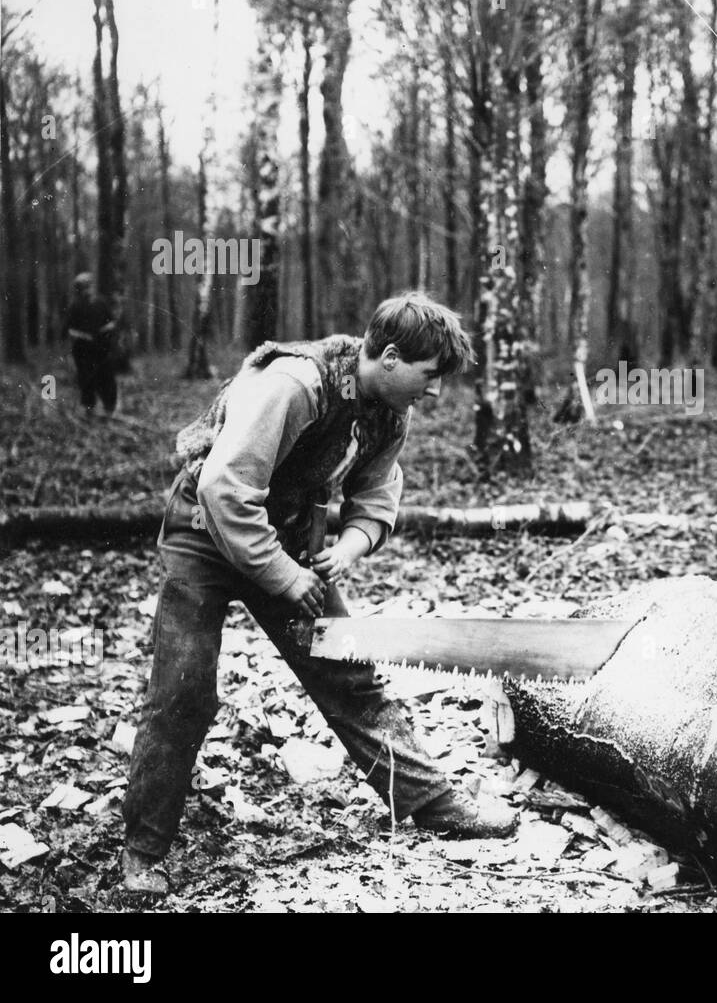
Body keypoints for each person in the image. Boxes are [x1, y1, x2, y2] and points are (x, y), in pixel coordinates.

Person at [120, 293, 517, 896]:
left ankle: (431, 802)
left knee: (349, 673)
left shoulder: (388, 409)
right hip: (203, 535)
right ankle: (143, 854)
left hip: (280, 539)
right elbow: (224, 491)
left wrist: (351, 545)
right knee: (183, 692)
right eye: (430, 376)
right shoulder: (295, 383)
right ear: (388, 357)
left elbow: (378, 494)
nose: (435, 393)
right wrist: (286, 576)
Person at [64, 272, 118, 416]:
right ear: (79, 289)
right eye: (83, 287)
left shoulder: (101, 302)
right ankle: (89, 410)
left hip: (102, 348)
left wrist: (104, 330)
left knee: (106, 378)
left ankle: (109, 409)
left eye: (89, 285)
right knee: (86, 380)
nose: (87, 289)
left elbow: (112, 322)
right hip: (83, 350)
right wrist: (84, 336)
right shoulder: (75, 306)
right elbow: (70, 330)